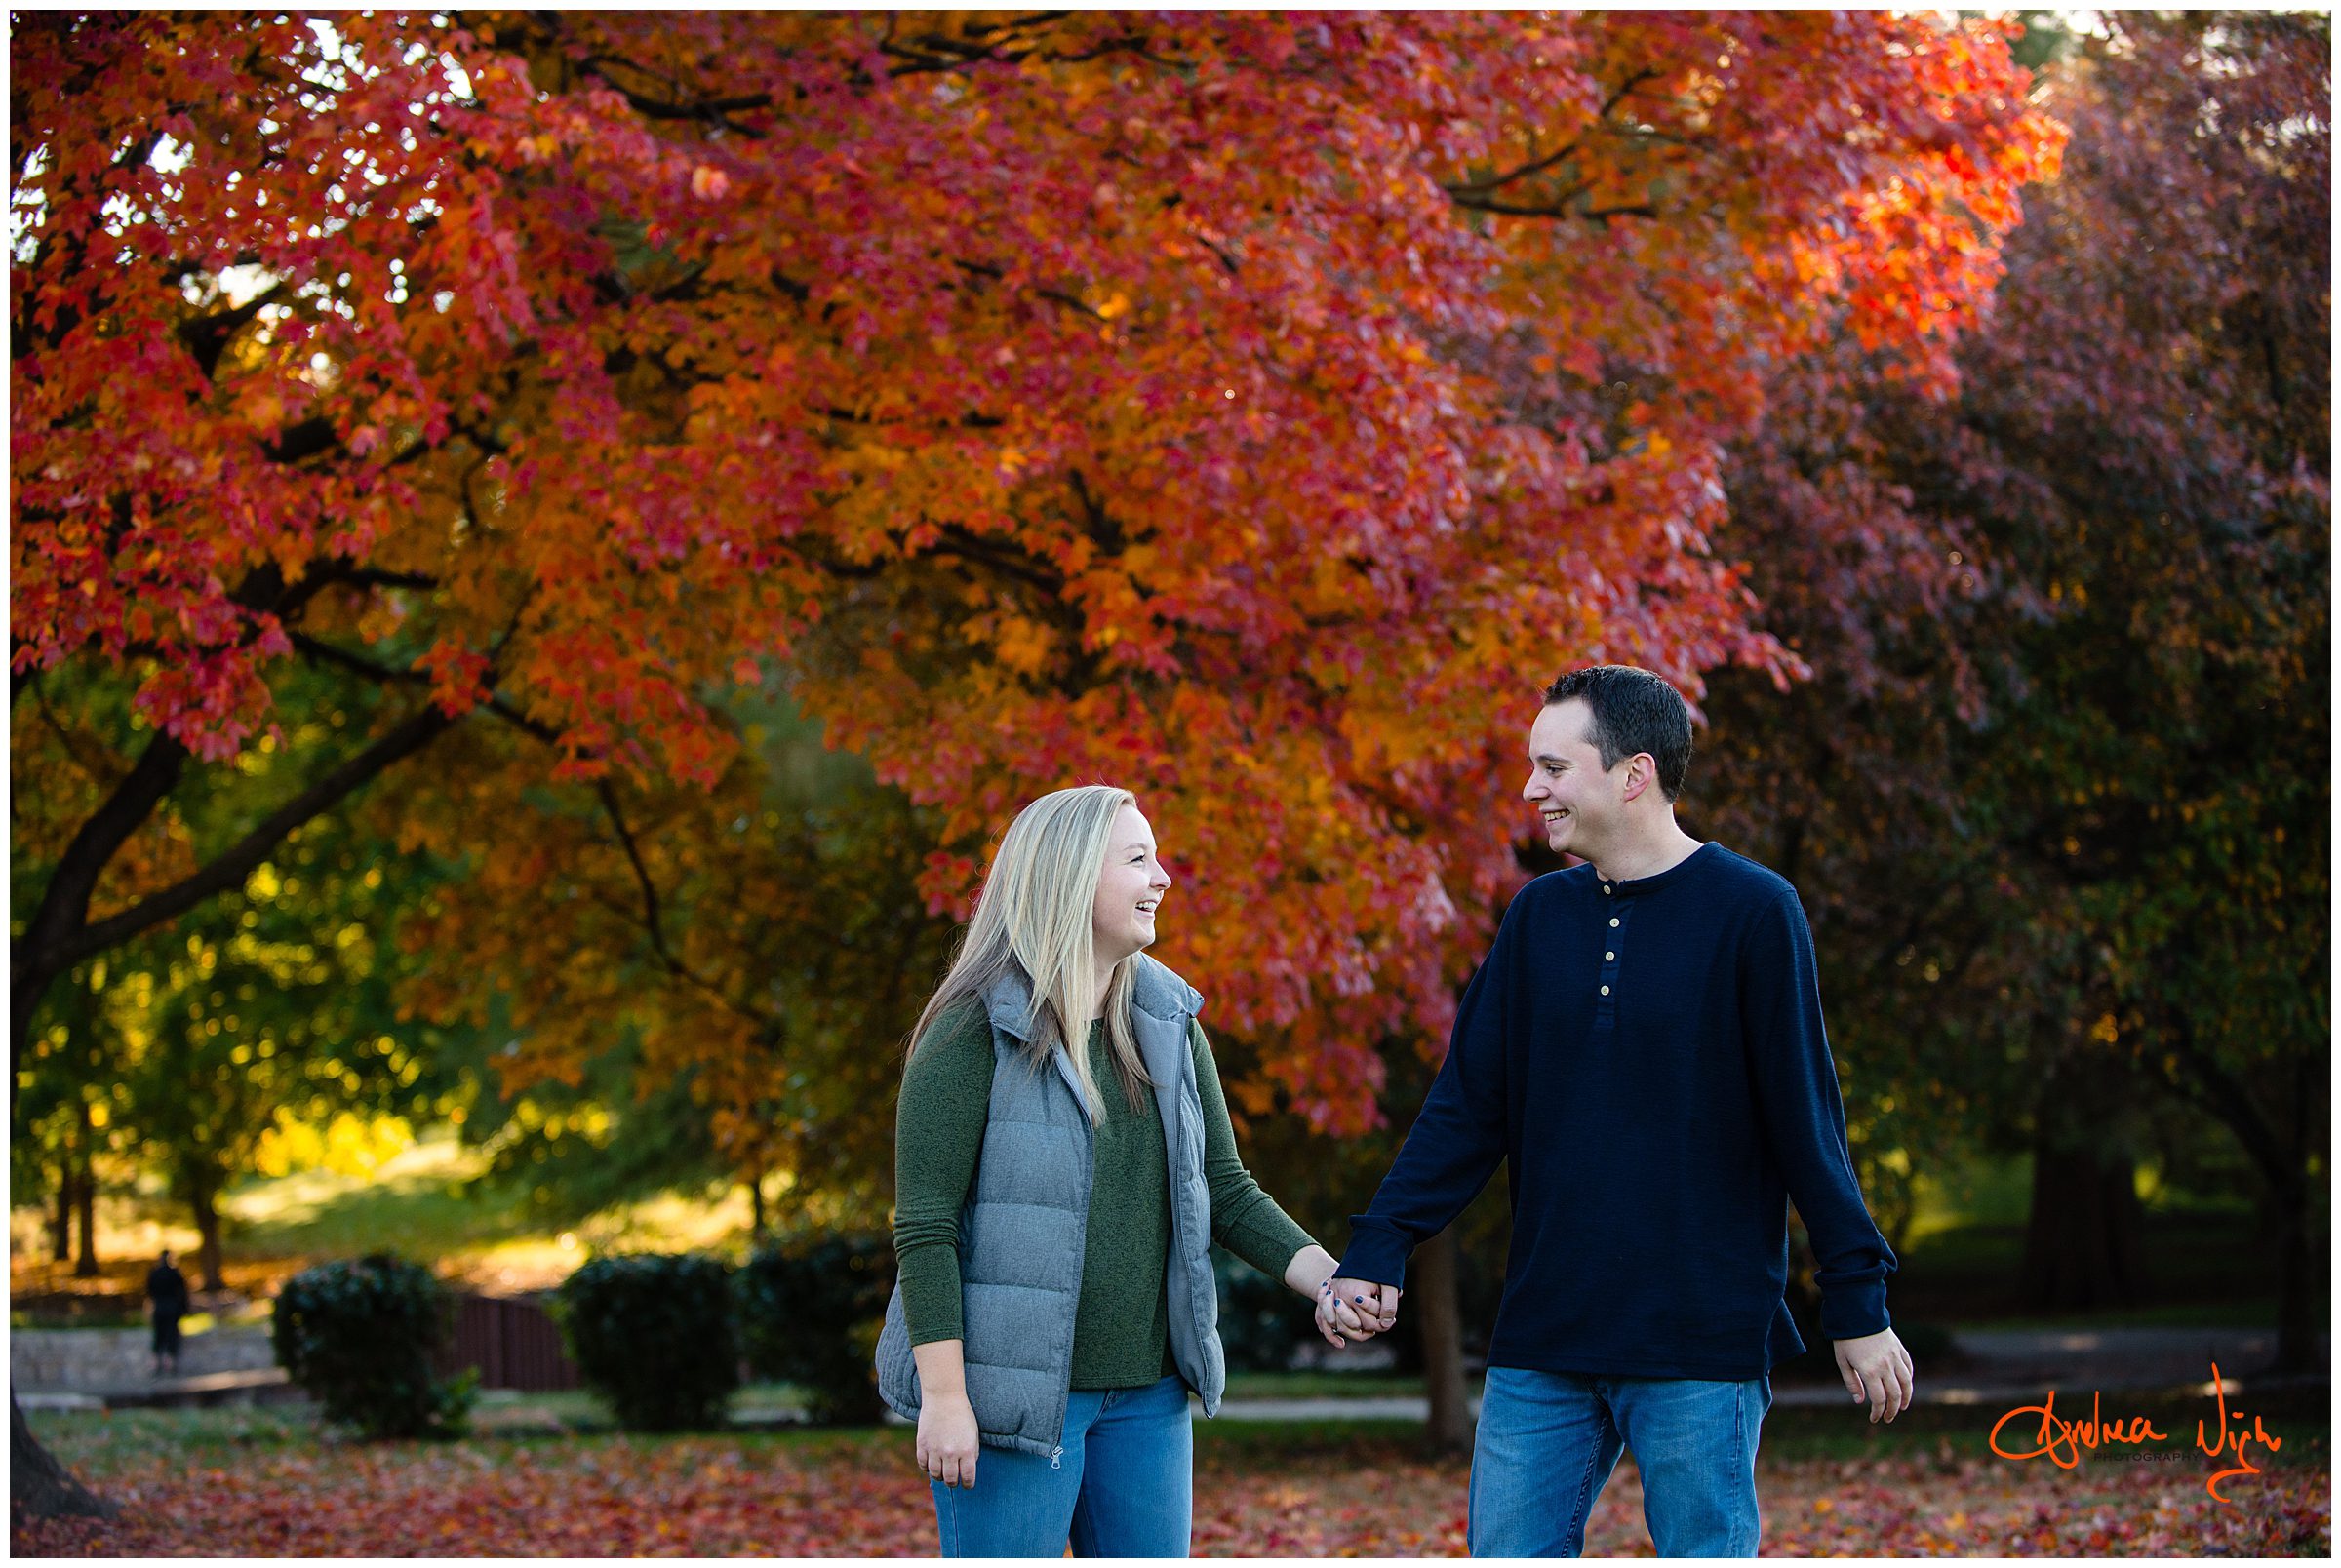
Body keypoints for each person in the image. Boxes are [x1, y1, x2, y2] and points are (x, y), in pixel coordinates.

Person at [1323, 664, 1916, 1557]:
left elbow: (1807, 1121)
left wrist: (1857, 1300)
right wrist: (1381, 1242)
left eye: (1554, 768)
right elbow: (1467, 1107)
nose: (1533, 789)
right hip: (1544, 1335)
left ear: (1633, 774)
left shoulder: (1754, 912)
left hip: (1698, 1341)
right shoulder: (1538, 918)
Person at [873, 784, 1375, 1558]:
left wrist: (1330, 1280)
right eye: (1139, 860)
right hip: (1012, 1400)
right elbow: (927, 1225)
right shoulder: (973, 1027)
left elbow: (1227, 1190)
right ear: (1070, 878)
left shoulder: (1168, 1019)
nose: (1163, 877)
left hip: (1149, 1397)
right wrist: (943, 1398)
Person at [145, 1249, 192, 1377]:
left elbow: (149, 1292)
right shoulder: (175, 1274)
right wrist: (185, 1309)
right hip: (172, 1308)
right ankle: (169, 1363)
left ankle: (155, 1363)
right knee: (172, 1334)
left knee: (158, 1335)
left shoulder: (154, 1273)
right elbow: (183, 1293)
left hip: (159, 1307)